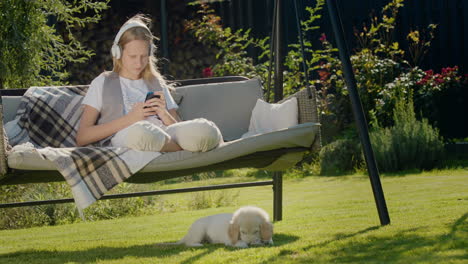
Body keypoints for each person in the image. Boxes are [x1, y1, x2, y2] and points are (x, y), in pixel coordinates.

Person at [76, 14, 222, 152]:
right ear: (117, 53)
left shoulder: (155, 82)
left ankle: (171, 147)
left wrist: (164, 114)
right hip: (129, 136)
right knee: (142, 132)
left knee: (205, 129)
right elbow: (82, 137)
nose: (139, 63)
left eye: (143, 56)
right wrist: (130, 119)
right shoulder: (103, 82)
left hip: (163, 134)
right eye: (132, 56)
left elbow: (177, 126)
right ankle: (180, 150)